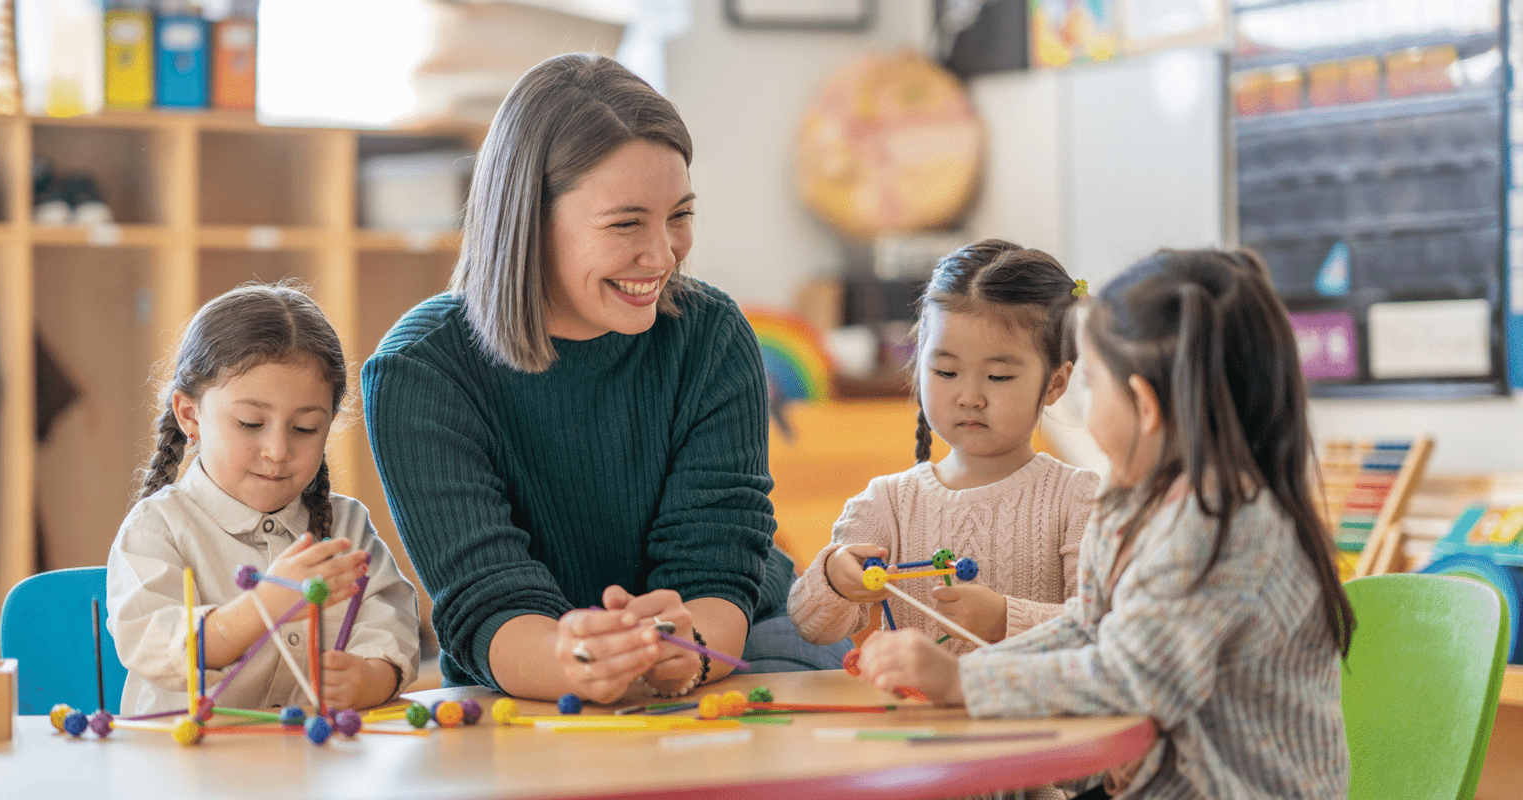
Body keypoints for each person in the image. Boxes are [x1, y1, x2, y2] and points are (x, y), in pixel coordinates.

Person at [362, 52, 845, 705]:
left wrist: (686, 652)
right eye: (626, 224)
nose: (664, 253)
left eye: (679, 215)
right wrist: (581, 664)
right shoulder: (419, 372)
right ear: (529, 221)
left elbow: (718, 573)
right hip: (532, 681)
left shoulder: (711, 334)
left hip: (747, 646)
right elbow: (486, 605)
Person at [851, 248, 1354, 799]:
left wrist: (962, 682)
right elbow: (1088, 627)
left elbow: (1131, 680)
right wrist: (961, 675)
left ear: (1143, 405)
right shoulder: (1133, 500)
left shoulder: (1223, 526)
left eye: (1092, 384)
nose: (1082, 405)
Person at [107, 283, 420, 716]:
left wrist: (369, 679)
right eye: (251, 423)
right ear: (190, 415)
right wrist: (265, 604)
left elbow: (392, 626)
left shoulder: (346, 528)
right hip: (184, 769)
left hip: (309, 767)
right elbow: (156, 643)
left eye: (305, 428)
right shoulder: (156, 528)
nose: (277, 450)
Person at [788, 240, 1099, 652]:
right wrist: (833, 576)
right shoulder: (886, 503)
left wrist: (1004, 619)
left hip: (1032, 715)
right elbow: (814, 628)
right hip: (915, 714)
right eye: (946, 371)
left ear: (1055, 383)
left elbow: (1103, 628)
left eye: (999, 377)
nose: (969, 396)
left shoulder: (1079, 499)